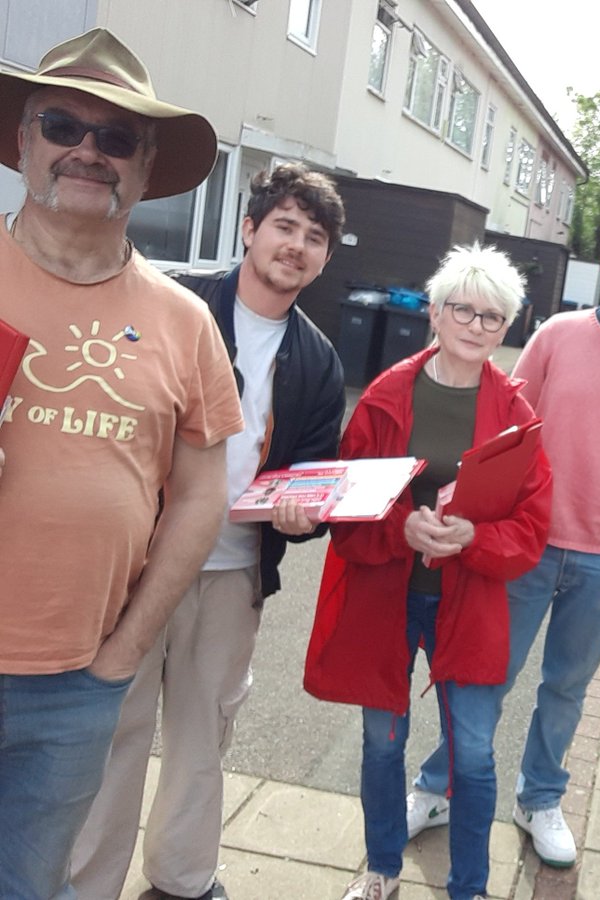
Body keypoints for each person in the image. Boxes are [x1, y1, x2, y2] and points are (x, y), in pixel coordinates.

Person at [0, 28, 243, 900]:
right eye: (63, 125)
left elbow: (202, 496)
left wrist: (124, 654)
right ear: (24, 142)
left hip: (74, 683)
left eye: (116, 139)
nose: (87, 151)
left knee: (29, 884)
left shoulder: (184, 320)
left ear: (143, 170)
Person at [71, 163, 347, 900]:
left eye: (314, 237)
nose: (296, 245)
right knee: (114, 731)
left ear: (324, 258)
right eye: (284, 226)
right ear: (250, 229)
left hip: (232, 575)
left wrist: (304, 514)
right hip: (139, 562)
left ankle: (183, 879)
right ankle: (87, 884)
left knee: (204, 736)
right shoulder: (177, 307)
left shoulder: (318, 360)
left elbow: (314, 472)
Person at [408, 208, 600, 868]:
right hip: (525, 546)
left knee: (566, 689)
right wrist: (472, 515)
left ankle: (538, 797)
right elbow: (502, 432)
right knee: (485, 678)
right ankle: (439, 786)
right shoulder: (558, 337)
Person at [304, 243, 552, 900]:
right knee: (383, 743)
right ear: (435, 314)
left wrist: (474, 536)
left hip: (466, 606)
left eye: (491, 318)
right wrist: (399, 528)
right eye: (462, 310)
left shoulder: (518, 416)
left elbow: (532, 529)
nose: (475, 326)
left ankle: (468, 886)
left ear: (508, 327)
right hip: (387, 598)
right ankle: (381, 867)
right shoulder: (388, 396)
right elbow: (348, 503)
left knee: (472, 752)